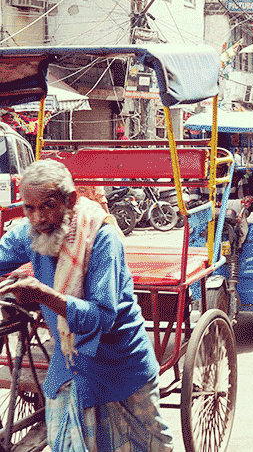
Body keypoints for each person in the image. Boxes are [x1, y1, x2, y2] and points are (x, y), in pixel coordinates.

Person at [0, 160, 172, 451]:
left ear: (71, 200)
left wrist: (44, 295)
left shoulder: (102, 237)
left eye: (48, 206)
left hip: (120, 364)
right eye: (30, 208)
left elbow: (102, 317)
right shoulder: (29, 233)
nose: (39, 217)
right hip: (70, 364)